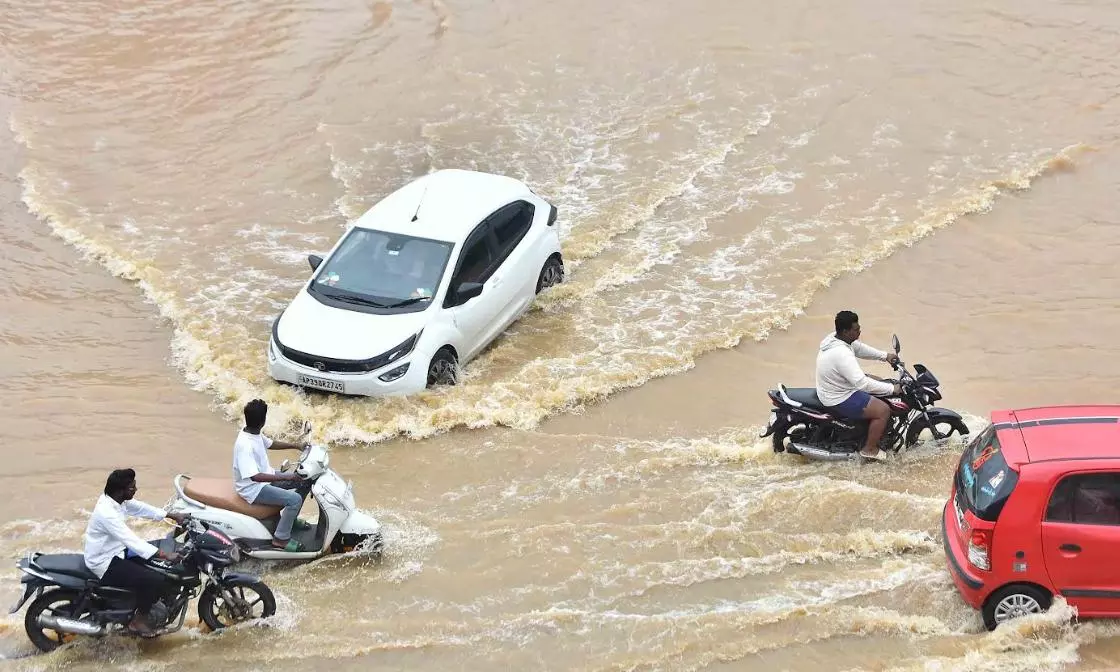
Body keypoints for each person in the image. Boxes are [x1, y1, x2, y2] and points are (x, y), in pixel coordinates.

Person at [83, 469, 185, 635]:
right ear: (120, 490)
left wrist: (171, 515)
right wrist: (165, 554)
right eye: (132, 488)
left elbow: (139, 508)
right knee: (153, 579)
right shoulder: (107, 513)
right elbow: (131, 539)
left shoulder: (116, 501)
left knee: (162, 571)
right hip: (105, 561)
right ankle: (138, 621)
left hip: (117, 552)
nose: (135, 490)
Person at [815, 310, 902, 462]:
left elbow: (859, 348)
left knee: (878, 380)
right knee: (883, 410)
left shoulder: (837, 339)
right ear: (845, 331)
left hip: (835, 386)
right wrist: (892, 389)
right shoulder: (841, 353)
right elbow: (862, 383)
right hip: (838, 396)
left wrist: (885, 356)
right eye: (856, 329)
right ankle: (869, 449)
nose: (859, 330)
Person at [232, 399, 312, 551]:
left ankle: (290, 521)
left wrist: (295, 445)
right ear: (263, 421)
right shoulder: (245, 445)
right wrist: (285, 476)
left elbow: (269, 443)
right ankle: (280, 539)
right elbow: (254, 477)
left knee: (305, 481)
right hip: (252, 489)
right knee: (294, 500)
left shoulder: (251, 430)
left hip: (264, 478)